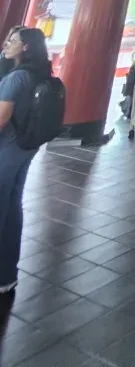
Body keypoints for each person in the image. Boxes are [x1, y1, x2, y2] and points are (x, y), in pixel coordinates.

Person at [0, 28, 58, 294]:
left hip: (7, 147)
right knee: (13, 207)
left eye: (12, 41)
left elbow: (1, 118)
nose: (6, 44)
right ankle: (7, 274)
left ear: (25, 47)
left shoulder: (16, 78)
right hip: (27, 147)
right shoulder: (41, 73)